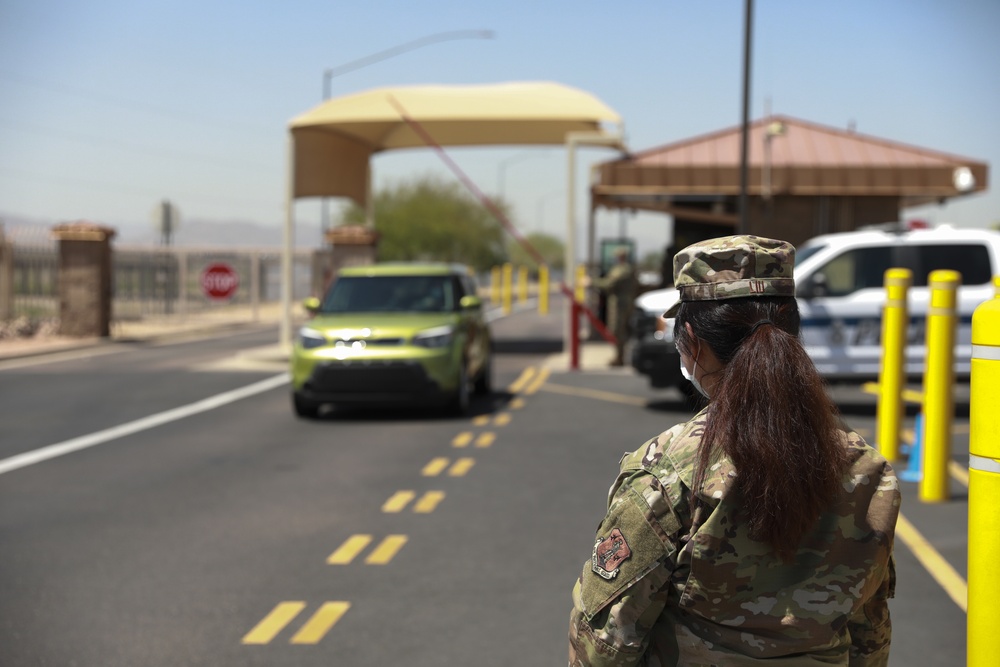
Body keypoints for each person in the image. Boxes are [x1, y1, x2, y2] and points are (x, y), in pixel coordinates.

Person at [568, 235, 900, 666]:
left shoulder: (668, 472)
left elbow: (606, 643)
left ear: (691, 340)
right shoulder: (865, 469)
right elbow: (870, 631)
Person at [594, 248, 638, 366]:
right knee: (619, 331)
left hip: (620, 304)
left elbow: (609, 284)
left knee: (618, 331)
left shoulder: (623, 270)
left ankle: (620, 358)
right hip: (621, 303)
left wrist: (591, 282)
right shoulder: (625, 269)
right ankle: (620, 356)